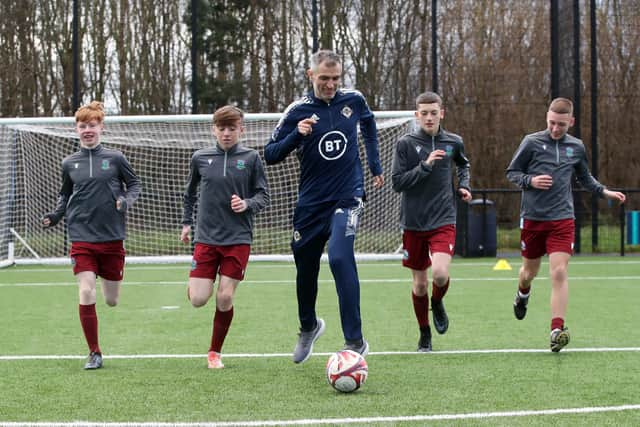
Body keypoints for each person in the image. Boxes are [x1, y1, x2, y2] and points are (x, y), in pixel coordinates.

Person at [264, 49, 384, 363]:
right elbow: (270, 154)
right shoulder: (297, 110)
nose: (330, 84)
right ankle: (308, 326)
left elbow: (369, 126)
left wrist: (375, 165)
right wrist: (296, 134)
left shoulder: (354, 100)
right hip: (311, 203)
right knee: (306, 268)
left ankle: (355, 341)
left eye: (335, 79)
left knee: (341, 257)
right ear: (310, 75)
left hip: (348, 195)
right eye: (324, 78)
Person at [506, 97, 626, 352]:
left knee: (559, 272)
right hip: (533, 219)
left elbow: (585, 178)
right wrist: (531, 180)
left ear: (571, 122)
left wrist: (605, 192)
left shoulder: (577, 147)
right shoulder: (531, 142)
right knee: (529, 273)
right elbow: (512, 173)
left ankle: (556, 330)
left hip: (562, 219)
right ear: (546, 118)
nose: (555, 129)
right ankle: (522, 294)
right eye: (551, 123)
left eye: (561, 124)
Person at [42, 101, 141, 370]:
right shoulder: (69, 163)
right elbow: (65, 195)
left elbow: (134, 185)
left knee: (111, 300)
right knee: (86, 291)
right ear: (76, 129)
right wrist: (55, 215)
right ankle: (94, 352)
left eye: (92, 125)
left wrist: (125, 200)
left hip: (111, 238)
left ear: (101, 128)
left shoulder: (116, 158)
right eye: (82, 126)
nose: (87, 130)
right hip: (81, 236)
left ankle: (108, 279)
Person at [181, 105, 269, 369]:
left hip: (238, 238)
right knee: (198, 300)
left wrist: (247, 204)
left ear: (241, 129)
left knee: (225, 297)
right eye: (222, 128)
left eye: (232, 128)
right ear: (214, 130)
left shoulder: (252, 158)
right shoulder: (200, 158)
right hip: (205, 238)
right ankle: (196, 284)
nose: (227, 133)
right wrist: (186, 223)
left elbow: (264, 196)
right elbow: (189, 194)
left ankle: (214, 353)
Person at [391, 91, 471, 352]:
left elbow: (463, 165)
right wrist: (424, 166)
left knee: (439, 274)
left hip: (443, 218)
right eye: (423, 113)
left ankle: (437, 302)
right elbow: (397, 182)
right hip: (413, 221)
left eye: (433, 113)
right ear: (417, 115)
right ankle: (424, 332)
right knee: (419, 283)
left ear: (442, 113)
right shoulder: (405, 144)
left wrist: (464, 186)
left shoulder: (453, 141)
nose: (428, 117)